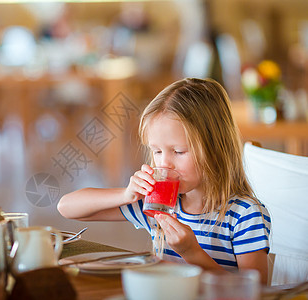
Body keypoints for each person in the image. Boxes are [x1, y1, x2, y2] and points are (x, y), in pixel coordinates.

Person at [57, 78, 271, 284]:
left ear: (215, 149)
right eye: (157, 151)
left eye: (178, 151)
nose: (164, 163)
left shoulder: (244, 215)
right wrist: (125, 195)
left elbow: (255, 290)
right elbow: (67, 207)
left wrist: (192, 253)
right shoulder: (160, 205)